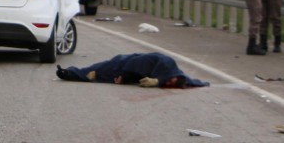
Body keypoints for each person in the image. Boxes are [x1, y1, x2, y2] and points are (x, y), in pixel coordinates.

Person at [56, 52, 210, 88]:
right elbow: (135, 66)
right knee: (98, 69)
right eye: (171, 80)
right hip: (125, 62)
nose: (170, 82)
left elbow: (190, 81)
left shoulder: (176, 76)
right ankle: (70, 72)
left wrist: (203, 83)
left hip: (130, 69)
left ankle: (70, 73)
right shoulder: (163, 63)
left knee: (102, 76)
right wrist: (124, 77)